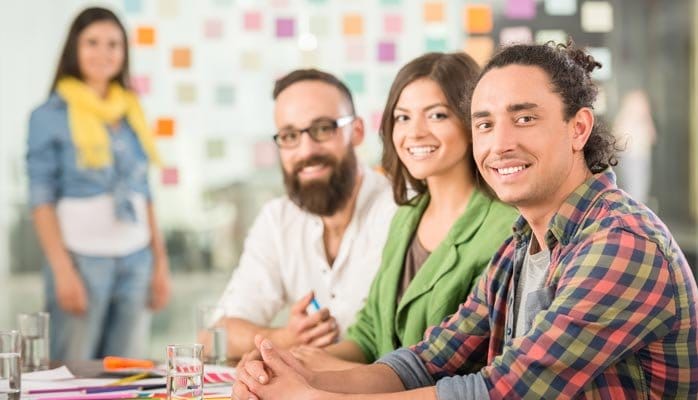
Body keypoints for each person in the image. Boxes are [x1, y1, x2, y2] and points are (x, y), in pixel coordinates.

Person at [232, 41, 698, 399]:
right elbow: (427, 360)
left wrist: (311, 396)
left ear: (578, 128)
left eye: (525, 118)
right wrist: (297, 374)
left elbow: (502, 391)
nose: (500, 144)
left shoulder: (620, 243)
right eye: (484, 124)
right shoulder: (520, 245)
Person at [289, 53, 517, 371]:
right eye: (402, 117)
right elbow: (369, 335)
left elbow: (457, 366)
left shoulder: (505, 228)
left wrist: (320, 375)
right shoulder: (405, 217)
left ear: (472, 122)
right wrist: (293, 360)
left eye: (436, 115)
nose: (415, 133)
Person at [213, 69, 396, 359]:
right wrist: (285, 337)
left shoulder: (399, 211)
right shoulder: (279, 219)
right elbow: (214, 336)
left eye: (323, 129)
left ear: (357, 131)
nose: (306, 150)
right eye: (289, 135)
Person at [26, 7, 170, 360]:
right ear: (74, 47)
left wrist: (160, 264)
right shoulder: (48, 116)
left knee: (129, 376)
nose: (104, 54)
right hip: (81, 264)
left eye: (113, 44)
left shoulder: (131, 110)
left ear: (124, 53)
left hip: (136, 261)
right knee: (72, 376)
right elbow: (41, 199)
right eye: (92, 43)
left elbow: (143, 192)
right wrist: (63, 271)